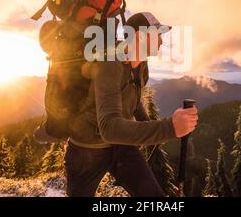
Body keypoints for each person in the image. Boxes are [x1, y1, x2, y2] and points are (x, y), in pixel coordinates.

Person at [64, 12, 198, 197]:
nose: (161, 40)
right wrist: (169, 128)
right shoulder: (110, 64)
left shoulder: (141, 67)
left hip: (120, 145)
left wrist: (151, 128)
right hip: (87, 150)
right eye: (157, 34)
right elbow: (109, 128)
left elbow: (132, 103)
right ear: (140, 36)